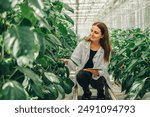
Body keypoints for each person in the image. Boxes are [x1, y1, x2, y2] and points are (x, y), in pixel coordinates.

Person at [60, 22, 111, 100]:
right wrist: (68, 62)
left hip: (99, 75)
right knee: (81, 75)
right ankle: (86, 92)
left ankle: (101, 92)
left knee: (98, 80)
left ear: (102, 35)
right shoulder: (82, 45)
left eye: (96, 32)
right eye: (91, 31)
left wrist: (96, 72)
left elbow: (104, 68)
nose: (92, 34)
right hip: (85, 73)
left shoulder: (106, 50)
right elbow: (74, 60)